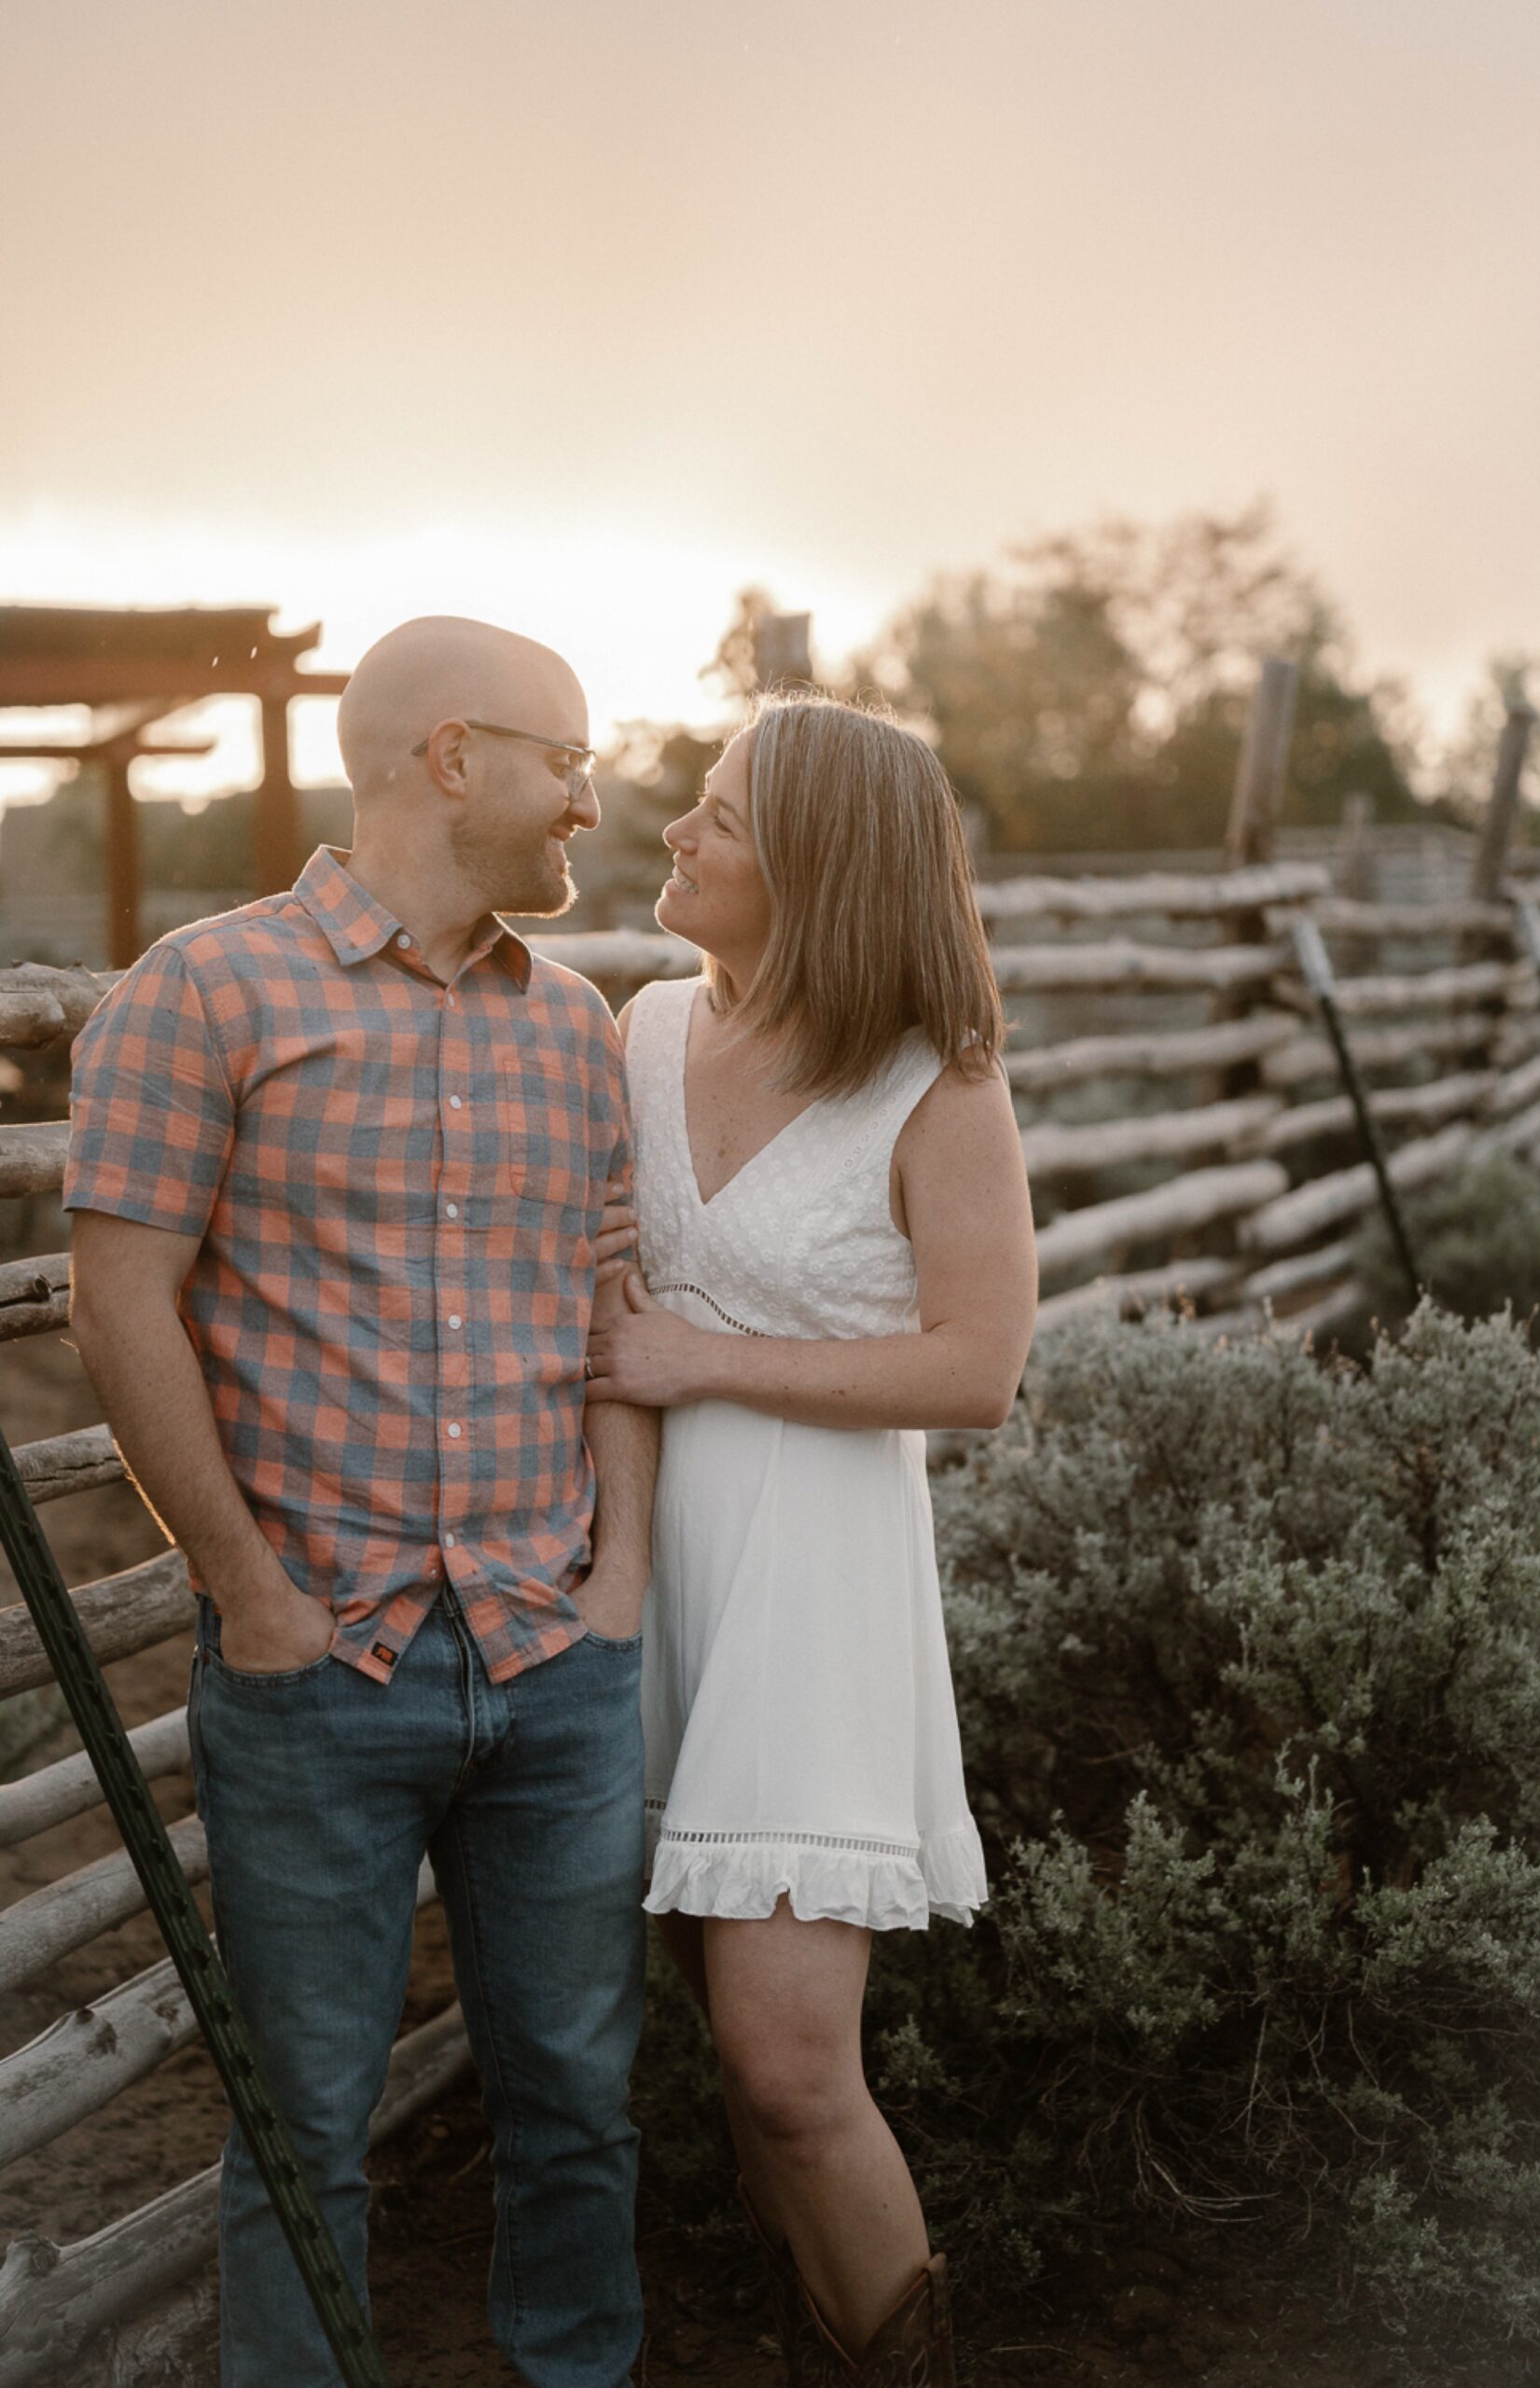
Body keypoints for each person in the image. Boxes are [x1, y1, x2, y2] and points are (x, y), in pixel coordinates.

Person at [63, 618, 658, 2388]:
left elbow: (611, 1310)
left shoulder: (578, 1029)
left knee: (577, 2106)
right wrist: (248, 1593)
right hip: (319, 1667)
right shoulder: (206, 991)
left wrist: (619, 1576)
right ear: (454, 757)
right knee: (305, 2130)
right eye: (569, 761)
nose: (590, 802)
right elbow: (119, 1301)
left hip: (558, 1660)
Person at [584, 691, 1037, 2385]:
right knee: (728, 2057)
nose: (677, 832)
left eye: (719, 813)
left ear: (822, 865)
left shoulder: (941, 1087)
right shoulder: (635, 1031)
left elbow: (978, 1370)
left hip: (816, 1586)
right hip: (645, 1559)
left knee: (789, 2067)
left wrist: (698, 1353)